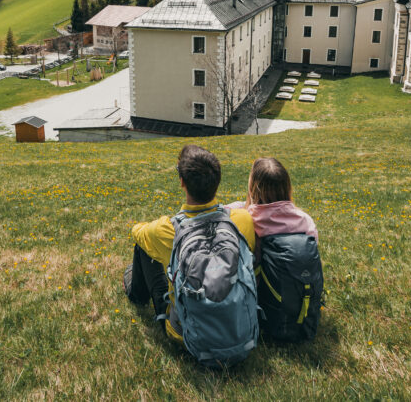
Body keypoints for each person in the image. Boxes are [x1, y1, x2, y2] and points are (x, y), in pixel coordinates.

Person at [123, 144, 256, 343]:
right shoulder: (242, 220)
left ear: (182, 182)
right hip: (238, 328)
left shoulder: (165, 230)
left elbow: (136, 231)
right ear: (217, 181)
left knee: (142, 249)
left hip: (187, 335)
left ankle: (136, 295)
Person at [228, 157, 322, 343]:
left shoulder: (247, 218)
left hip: (259, 303)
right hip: (298, 301)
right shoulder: (305, 221)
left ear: (253, 187)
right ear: (287, 186)